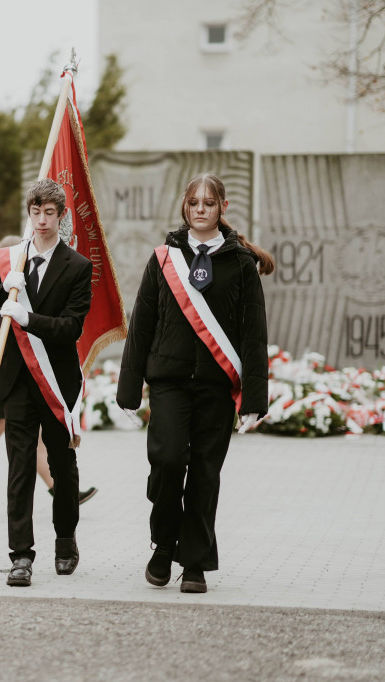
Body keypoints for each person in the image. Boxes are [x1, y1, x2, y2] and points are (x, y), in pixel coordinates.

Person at [116, 173, 272, 594]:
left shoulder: (241, 264)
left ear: (222, 208)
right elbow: (142, 324)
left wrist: (254, 399)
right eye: (194, 203)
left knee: (205, 473)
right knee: (167, 462)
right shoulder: (165, 258)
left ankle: (195, 560)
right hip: (168, 381)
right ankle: (164, 542)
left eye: (209, 203)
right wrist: (128, 388)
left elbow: (253, 335)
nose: (201, 209)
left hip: (217, 386)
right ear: (185, 207)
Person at [0, 179, 92, 587]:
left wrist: (28, 319)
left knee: (61, 463)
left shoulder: (77, 266)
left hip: (56, 380)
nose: (41, 220)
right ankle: (20, 555)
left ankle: (65, 537)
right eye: (35, 212)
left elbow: (71, 328)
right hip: (18, 380)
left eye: (49, 213)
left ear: (61, 216)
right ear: (29, 213)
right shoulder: (10, 259)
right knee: (19, 466)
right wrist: (2, 291)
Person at [0, 236, 97, 520]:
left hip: (1, 378)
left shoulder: (12, 291)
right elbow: (2, 338)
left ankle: (60, 489)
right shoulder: (0, 294)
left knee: (35, 442)